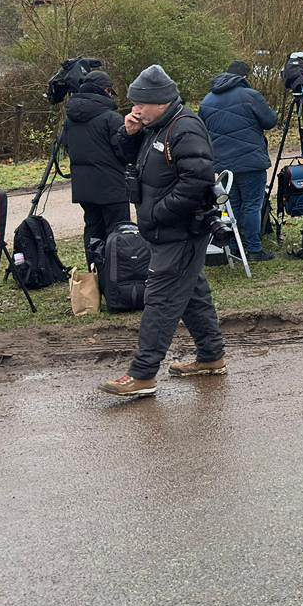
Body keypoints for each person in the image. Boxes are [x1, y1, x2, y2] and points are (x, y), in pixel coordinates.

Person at [99, 65, 225, 398]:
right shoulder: (155, 127)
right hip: (166, 230)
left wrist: (158, 212)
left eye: (141, 103)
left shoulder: (184, 129)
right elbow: (130, 161)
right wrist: (128, 134)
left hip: (180, 231)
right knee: (192, 293)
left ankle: (142, 375)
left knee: (161, 298)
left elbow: (198, 179)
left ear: (162, 101)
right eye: (133, 102)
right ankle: (211, 357)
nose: (135, 108)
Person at [199, 61, 279, 262]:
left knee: (231, 205)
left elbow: (202, 131)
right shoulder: (250, 96)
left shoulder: (207, 101)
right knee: (252, 204)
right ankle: (254, 249)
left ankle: (234, 246)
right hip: (251, 159)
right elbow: (270, 121)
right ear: (244, 77)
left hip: (223, 163)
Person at [63, 70, 129, 270]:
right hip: (112, 186)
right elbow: (124, 151)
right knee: (119, 232)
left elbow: (67, 147)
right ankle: (119, 278)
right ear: (106, 90)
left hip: (84, 187)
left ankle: (95, 275)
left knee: (93, 231)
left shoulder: (70, 119)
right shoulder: (112, 118)